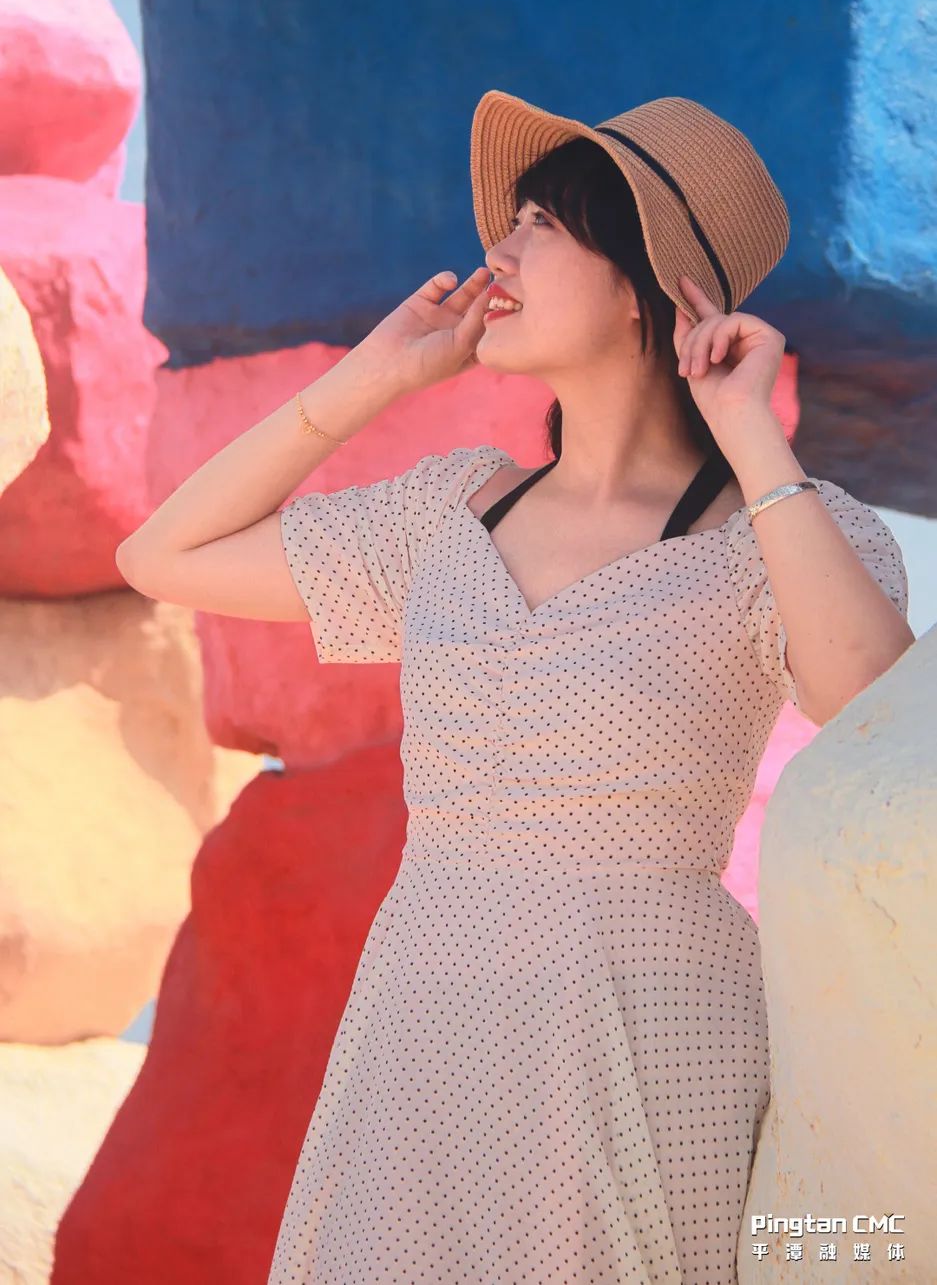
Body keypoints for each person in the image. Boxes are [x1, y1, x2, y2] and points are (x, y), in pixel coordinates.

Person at [117, 91, 913, 1284]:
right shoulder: (451, 510)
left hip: (644, 1032)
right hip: (423, 1020)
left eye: (543, 223)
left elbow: (871, 706)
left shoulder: (781, 526)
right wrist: (374, 380)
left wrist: (751, 436)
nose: (499, 251)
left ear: (644, 284)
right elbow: (162, 555)